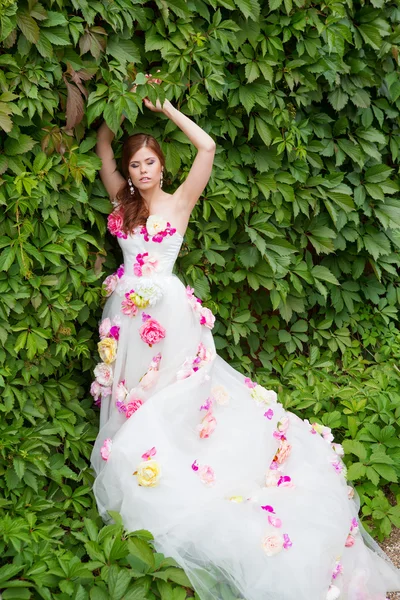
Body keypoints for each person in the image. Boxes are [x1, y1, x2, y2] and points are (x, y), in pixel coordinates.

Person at [90, 81, 400, 600]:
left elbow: (207, 148)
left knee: (176, 399)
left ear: (162, 166)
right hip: (125, 317)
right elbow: (103, 149)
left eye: (150, 162)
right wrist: (116, 98)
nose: (142, 171)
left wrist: (163, 106)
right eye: (136, 164)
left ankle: (184, 464)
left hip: (171, 318)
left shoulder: (179, 200)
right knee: (132, 396)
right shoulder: (122, 204)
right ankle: (139, 466)